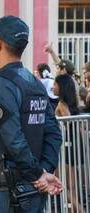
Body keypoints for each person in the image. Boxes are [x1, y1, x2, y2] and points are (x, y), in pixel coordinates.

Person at [0, 16, 63, 212]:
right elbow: (53, 133)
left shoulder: (1, 84)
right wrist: (45, 170)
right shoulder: (33, 82)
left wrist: (38, 174)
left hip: (11, 191)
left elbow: (13, 137)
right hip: (34, 186)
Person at [53, 74, 84, 212]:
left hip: (67, 148)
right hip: (73, 147)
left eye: (55, 84)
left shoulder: (61, 105)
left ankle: (82, 211)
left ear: (62, 87)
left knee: (66, 186)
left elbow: (67, 125)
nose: (53, 87)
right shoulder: (70, 104)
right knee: (72, 187)